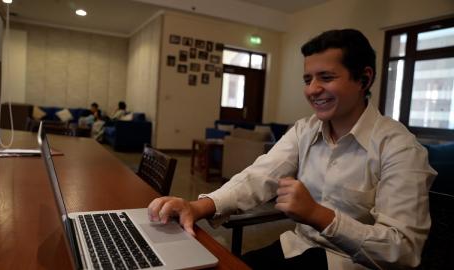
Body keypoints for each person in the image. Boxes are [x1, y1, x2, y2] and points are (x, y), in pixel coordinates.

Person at [147, 29, 436, 269]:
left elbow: (404, 250)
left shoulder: (400, 148)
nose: (312, 90)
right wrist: (198, 206)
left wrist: (318, 215)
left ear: (364, 78)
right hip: (297, 249)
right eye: (308, 79)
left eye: (326, 77)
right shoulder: (305, 129)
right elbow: (259, 176)